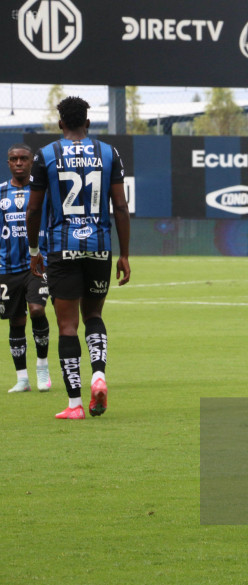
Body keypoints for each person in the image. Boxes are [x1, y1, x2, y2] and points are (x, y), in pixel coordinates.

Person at [26, 96, 131, 420]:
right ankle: (98, 375)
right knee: (94, 315)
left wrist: (34, 251)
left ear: (60, 123)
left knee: (67, 325)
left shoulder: (46, 155)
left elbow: (34, 209)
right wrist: (125, 254)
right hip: (99, 246)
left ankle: (74, 405)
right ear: (88, 122)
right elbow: (120, 206)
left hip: (62, 247)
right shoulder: (109, 153)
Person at [2, 144, 51, 393]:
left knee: (36, 310)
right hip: (7, 266)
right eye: (14, 159)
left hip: (38, 263)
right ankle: (22, 378)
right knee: (16, 319)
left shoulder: (43, 190)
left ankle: (42, 366)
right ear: (8, 163)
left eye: (23, 158)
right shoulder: (1, 192)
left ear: (32, 162)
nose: (19, 162)